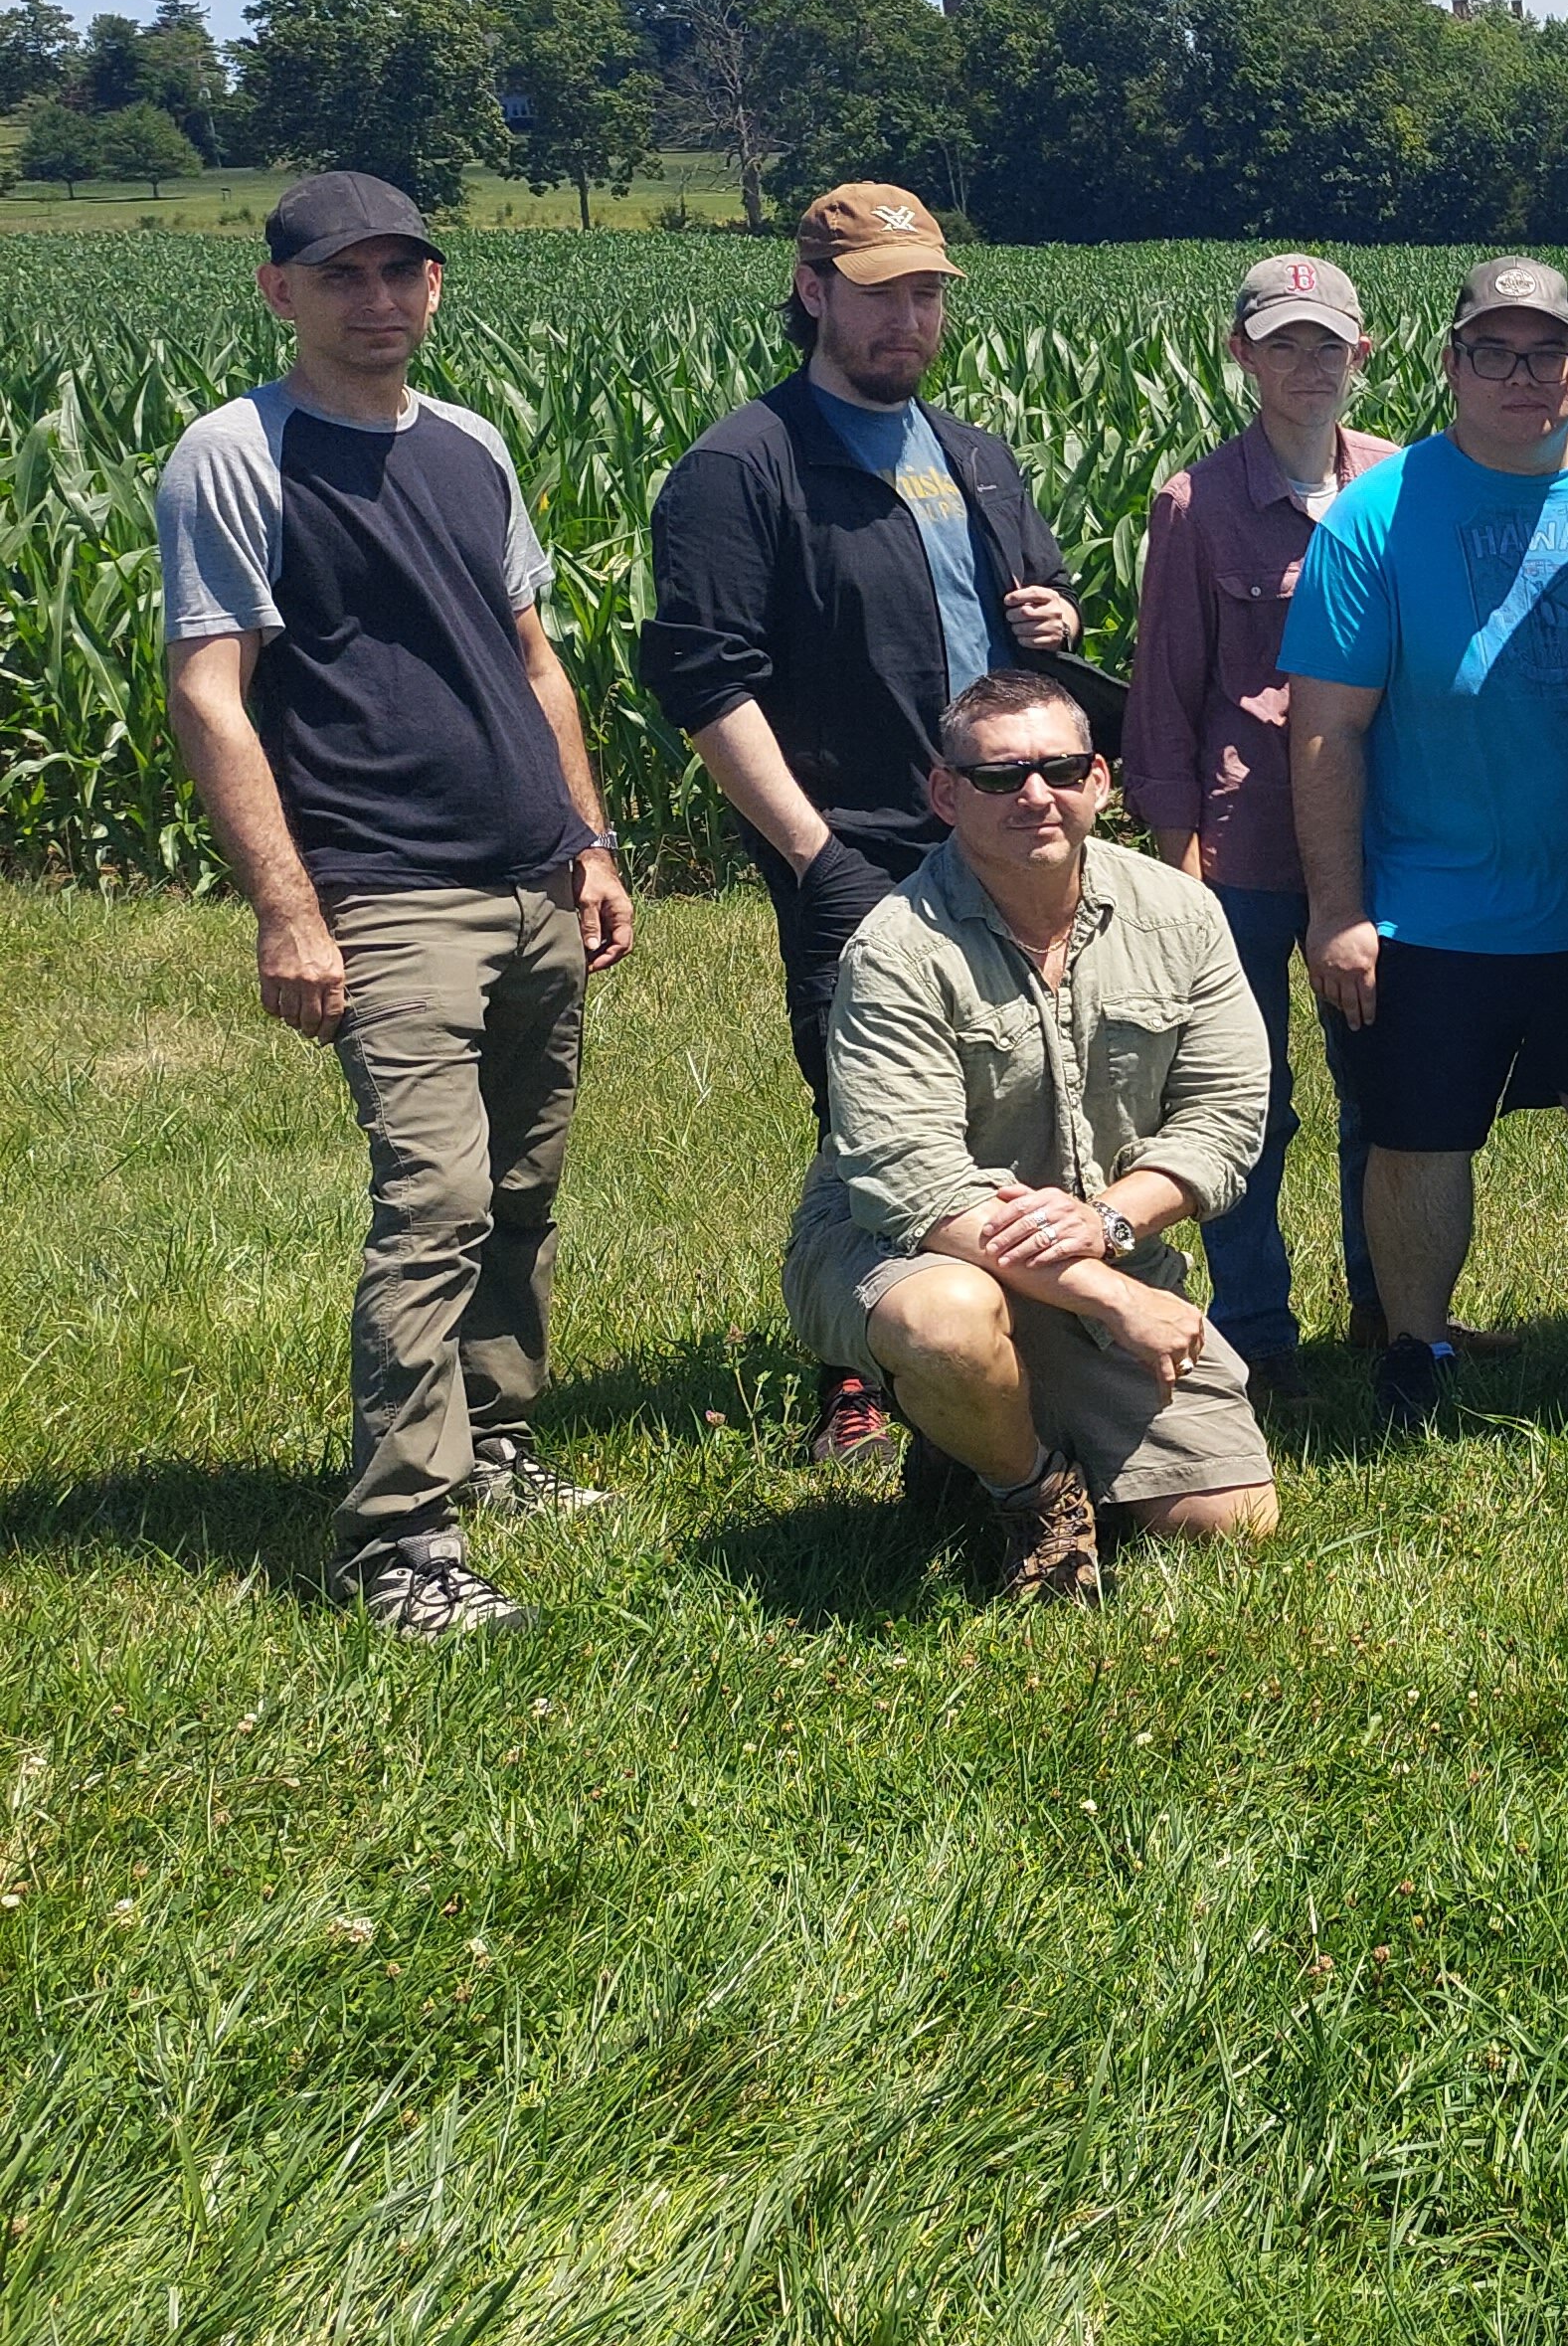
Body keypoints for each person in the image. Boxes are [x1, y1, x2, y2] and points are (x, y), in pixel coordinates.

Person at [155, 172, 643, 1639]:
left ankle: (492, 1442)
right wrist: (288, 912)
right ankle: (398, 1536)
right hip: (385, 885)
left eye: (404, 272)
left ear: (436, 285)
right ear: (280, 291)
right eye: (344, 275)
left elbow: (534, 661)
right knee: (432, 1200)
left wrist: (594, 838)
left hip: (530, 873)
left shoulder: (472, 445)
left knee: (520, 1189)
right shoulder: (238, 454)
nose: (380, 300)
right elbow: (210, 694)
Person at [638, 182, 1083, 1468]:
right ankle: (855, 1363)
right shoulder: (743, 469)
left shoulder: (972, 453)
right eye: (882, 291)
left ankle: (1008, 1334)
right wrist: (815, 858)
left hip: (999, 831)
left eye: (928, 292)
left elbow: (1023, 620)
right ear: (813, 291)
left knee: (1009, 1097)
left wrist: (1047, 623)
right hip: (856, 838)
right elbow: (704, 679)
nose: (909, 317)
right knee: (868, 1114)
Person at [784, 670, 1278, 1606]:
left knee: (1228, 1524)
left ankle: (967, 1440)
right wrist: (1110, 1298)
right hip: (899, 1246)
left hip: (1092, 1245)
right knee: (949, 1321)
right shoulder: (894, 948)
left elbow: (1225, 1118)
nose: (1035, 796)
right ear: (945, 794)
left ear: (1099, 779)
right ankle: (1032, 1495)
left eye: (1058, 769)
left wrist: (1109, 1228)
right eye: (1001, 777)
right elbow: (911, 1183)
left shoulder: (1183, 917)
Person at [1283, 259, 1568, 1439]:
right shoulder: (1379, 512)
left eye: (1542, 352)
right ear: (1448, 365)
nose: (1517, 375)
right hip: (1430, 903)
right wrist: (1339, 910)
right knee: (1416, 1139)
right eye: (1488, 352)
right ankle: (1414, 1350)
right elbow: (1327, 728)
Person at [1127, 255, 1400, 1391]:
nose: (1306, 365)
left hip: (1382, 836)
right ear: (1239, 354)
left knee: (1380, 1090)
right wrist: (1179, 861)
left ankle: (1386, 1307)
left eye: (1325, 344)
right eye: (1281, 343)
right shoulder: (1194, 505)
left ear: (1362, 356)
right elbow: (1165, 700)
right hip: (1240, 846)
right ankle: (1256, 1326)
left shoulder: (1401, 483)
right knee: (1247, 1099)